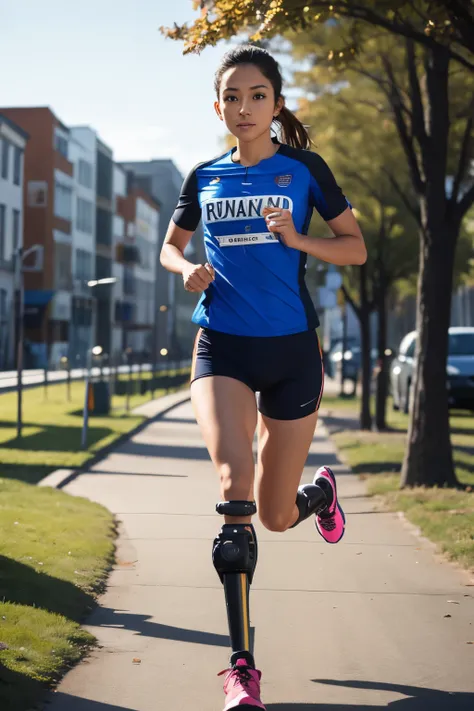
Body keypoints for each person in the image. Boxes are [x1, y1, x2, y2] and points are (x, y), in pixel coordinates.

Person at [160, 44, 367, 711]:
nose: (243, 108)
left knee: (276, 516)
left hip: (291, 352)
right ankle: (242, 669)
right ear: (216, 106)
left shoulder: (304, 170)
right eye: (231, 96)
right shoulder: (204, 176)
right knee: (233, 488)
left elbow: (355, 246)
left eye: (256, 96)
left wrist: (298, 240)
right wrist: (180, 269)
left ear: (276, 104)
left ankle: (317, 498)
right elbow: (171, 243)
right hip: (220, 344)